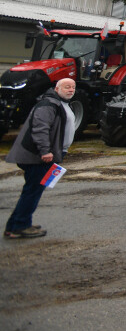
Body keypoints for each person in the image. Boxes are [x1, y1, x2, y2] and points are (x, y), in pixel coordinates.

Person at [4, 78, 77, 239]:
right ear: (57, 88)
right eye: (66, 87)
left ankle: (15, 225)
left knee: (31, 190)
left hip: (48, 154)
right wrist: (45, 151)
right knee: (32, 191)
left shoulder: (61, 103)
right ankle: (20, 226)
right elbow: (40, 128)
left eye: (73, 87)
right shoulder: (49, 104)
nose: (71, 90)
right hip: (38, 156)